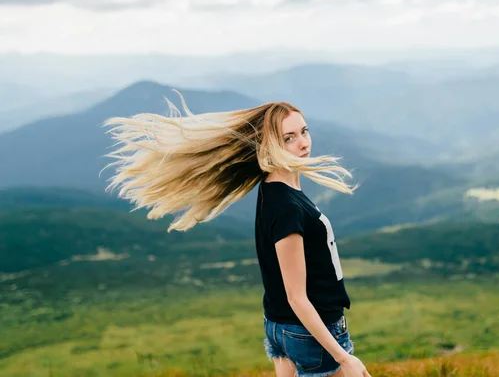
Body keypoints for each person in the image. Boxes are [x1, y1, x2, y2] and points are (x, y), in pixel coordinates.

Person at [102, 93, 371, 377]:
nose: (303, 143)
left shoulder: (273, 189)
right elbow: (297, 297)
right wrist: (344, 358)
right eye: (289, 138)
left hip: (281, 325)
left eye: (304, 131)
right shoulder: (287, 207)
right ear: (270, 145)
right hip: (309, 331)